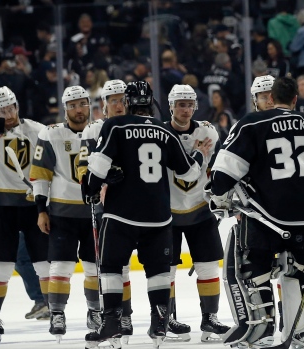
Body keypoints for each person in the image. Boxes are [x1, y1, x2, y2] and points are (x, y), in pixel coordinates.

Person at [208, 76, 304, 349]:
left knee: (255, 269)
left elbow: (222, 176)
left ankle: (262, 329)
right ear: (296, 99)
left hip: (265, 216)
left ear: (271, 98)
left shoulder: (252, 124)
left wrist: (218, 194)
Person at [82, 81, 208, 347]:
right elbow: (189, 173)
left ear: (127, 103)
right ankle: (160, 321)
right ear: (151, 103)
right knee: (158, 271)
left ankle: (112, 321)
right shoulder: (165, 131)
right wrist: (197, 154)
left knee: (112, 268)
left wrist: (90, 188)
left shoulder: (114, 125)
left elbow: (99, 167)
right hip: (158, 216)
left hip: (121, 215)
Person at [29, 85, 97, 342]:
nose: (78, 110)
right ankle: (57, 313)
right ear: (64, 108)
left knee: (94, 267)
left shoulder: (100, 131)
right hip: (61, 212)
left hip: (93, 211)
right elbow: (40, 175)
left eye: (82, 104)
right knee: (60, 265)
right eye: (72, 105)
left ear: (89, 105)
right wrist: (40, 210)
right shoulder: (51, 133)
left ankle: (95, 311)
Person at [164, 84, 231, 342]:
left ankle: (209, 319)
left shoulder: (208, 131)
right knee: (165, 270)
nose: (186, 109)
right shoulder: (160, 133)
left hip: (200, 208)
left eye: (190, 104)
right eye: (181, 104)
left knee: (208, 266)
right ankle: (166, 317)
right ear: (171, 106)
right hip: (167, 211)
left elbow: (218, 166)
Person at [77, 79, 135, 340]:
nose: (119, 104)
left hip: (133, 205)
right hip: (105, 206)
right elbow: (82, 165)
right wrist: (93, 182)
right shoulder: (92, 129)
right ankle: (103, 312)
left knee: (122, 266)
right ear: (104, 104)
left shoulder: (136, 126)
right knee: (106, 264)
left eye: (122, 99)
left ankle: (125, 314)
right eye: (113, 100)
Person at [0, 86, 47, 344]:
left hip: (32, 205)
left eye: (11, 107)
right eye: (2, 109)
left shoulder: (37, 129)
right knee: (0, 266)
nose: (9, 113)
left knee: (45, 263)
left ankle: (54, 310)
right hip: (0, 205)